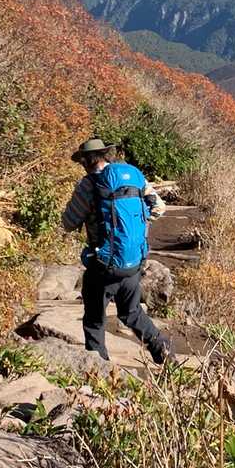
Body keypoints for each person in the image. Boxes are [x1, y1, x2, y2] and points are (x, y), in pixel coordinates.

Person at [61, 137, 172, 365]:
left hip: (104, 266)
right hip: (133, 261)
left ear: (86, 161)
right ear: (105, 155)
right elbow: (159, 207)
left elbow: (69, 222)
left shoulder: (88, 185)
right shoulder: (134, 176)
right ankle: (163, 350)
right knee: (131, 313)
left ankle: (99, 369)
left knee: (94, 320)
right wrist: (133, 225)